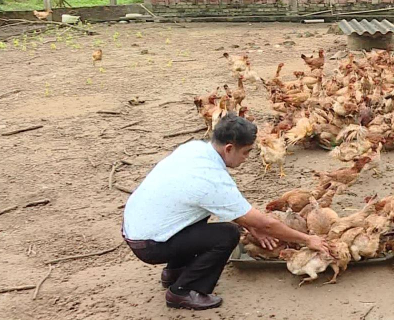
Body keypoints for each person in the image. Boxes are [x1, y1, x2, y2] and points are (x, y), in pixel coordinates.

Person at [122, 115, 329, 310]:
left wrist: (250, 225)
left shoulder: (194, 148)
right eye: (246, 152)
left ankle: (175, 272)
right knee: (227, 234)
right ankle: (183, 291)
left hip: (138, 229)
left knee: (197, 215)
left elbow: (230, 208)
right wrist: (307, 239)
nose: (247, 158)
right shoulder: (212, 179)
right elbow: (266, 224)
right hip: (150, 245)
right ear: (229, 148)